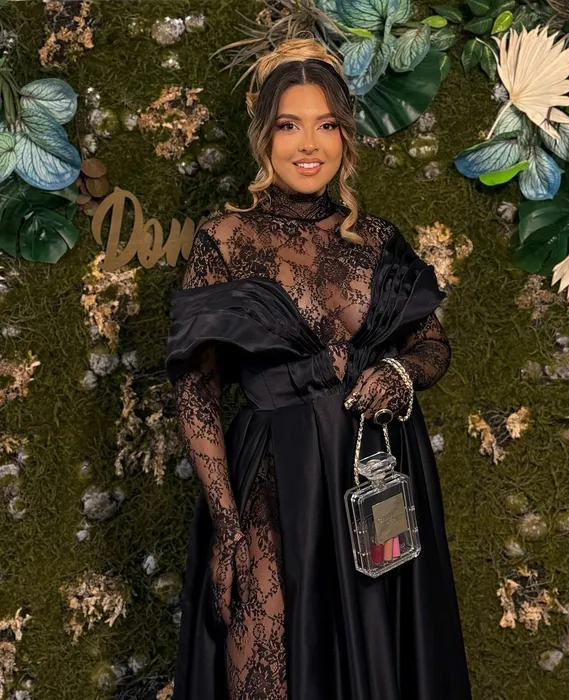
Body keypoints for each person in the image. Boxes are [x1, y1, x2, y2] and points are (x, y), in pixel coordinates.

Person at [165, 37, 472, 700]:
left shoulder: (377, 238)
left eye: (326, 125)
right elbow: (195, 393)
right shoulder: (224, 239)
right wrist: (227, 526)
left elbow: (432, 345)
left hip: (377, 472)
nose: (309, 144)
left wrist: (401, 373)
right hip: (276, 478)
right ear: (263, 136)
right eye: (289, 125)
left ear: (345, 137)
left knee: (381, 656)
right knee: (264, 650)